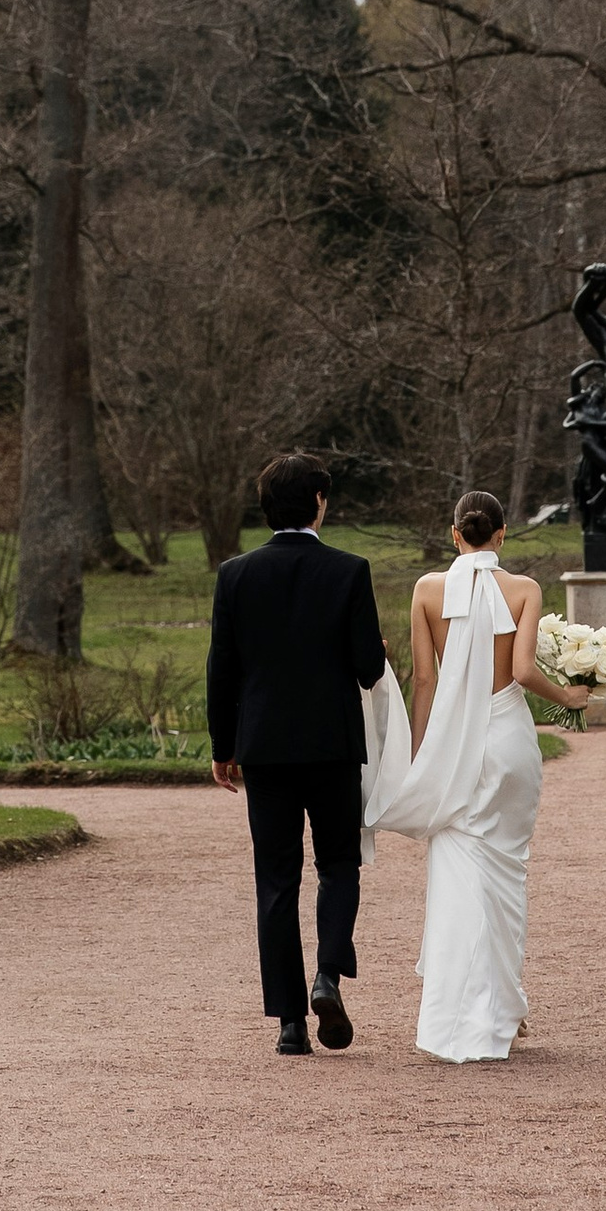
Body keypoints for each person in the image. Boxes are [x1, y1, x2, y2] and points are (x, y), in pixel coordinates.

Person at [374, 488, 589, 1063]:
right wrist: (568, 693)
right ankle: (504, 1006)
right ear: (500, 536)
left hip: (453, 743)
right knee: (507, 875)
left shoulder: (426, 590)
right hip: (507, 740)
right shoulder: (523, 590)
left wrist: (421, 755)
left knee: (455, 873)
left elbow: (423, 682)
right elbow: (521, 671)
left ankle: (457, 1014)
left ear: (454, 534)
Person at [206, 449, 388, 1057]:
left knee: (276, 878)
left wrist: (222, 746)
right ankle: (327, 976)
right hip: (333, 743)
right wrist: (373, 645)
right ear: (318, 503)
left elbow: (222, 669)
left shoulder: (235, 574)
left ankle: (288, 1021)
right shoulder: (349, 570)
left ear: (265, 507)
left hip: (264, 745)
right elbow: (367, 670)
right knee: (338, 864)